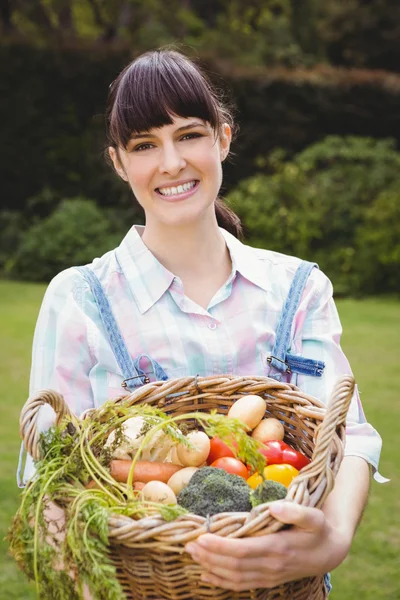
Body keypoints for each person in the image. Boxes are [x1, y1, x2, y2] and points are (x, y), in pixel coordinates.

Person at [19, 49, 385, 595]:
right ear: (119, 162)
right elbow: (47, 479)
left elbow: (348, 435)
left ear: (224, 139)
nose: (170, 163)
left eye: (189, 135)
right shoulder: (80, 300)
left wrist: (332, 541)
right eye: (144, 145)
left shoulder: (298, 288)